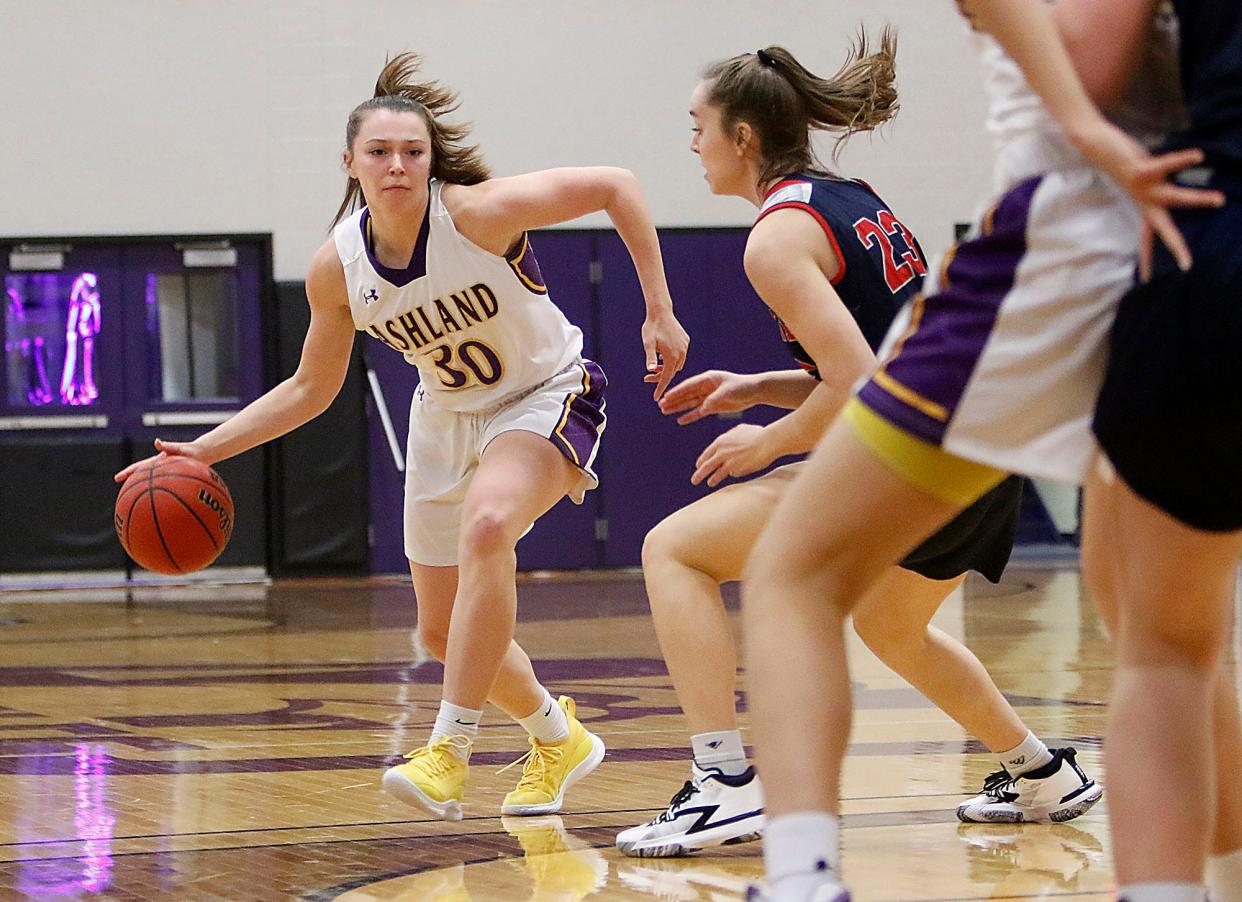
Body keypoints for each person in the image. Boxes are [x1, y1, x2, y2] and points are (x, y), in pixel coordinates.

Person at [735, 3, 1233, 900]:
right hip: (1201, 248)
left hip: (1077, 241)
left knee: (792, 574)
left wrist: (1080, 122)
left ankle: (801, 878)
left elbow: (1090, 60)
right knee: (1167, 641)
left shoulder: (785, 228)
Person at [114, 52, 689, 822]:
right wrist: (205, 450)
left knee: (490, 527)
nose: (397, 165)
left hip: (545, 392)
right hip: (446, 416)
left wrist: (658, 307)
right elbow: (309, 390)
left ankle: (448, 749)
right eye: (380, 152)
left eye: (412, 152)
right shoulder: (337, 268)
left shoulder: (478, 214)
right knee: (441, 629)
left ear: (430, 160)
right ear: (350, 161)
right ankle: (557, 739)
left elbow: (618, 185)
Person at [615, 34, 1099, 861]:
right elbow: (884, 366)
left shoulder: (773, 241)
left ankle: (723, 784)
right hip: (978, 451)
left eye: (697, 125)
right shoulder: (848, 196)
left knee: (675, 551)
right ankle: (1043, 772)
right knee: (889, 628)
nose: (689, 143)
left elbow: (861, 385)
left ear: (743, 138)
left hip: (926, 457)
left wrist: (769, 440)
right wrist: (762, 386)